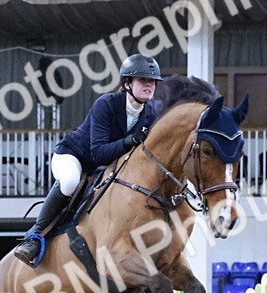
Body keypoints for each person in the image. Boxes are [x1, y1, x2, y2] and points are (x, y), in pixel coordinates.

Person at [12, 54, 164, 266]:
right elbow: (98, 152)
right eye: (143, 81)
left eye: (152, 82)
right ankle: (34, 237)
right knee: (70, 181)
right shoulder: (106, 104)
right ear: (127, 84)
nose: (149, 85)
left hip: (105, 168)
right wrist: (129, 141)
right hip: (74, 157)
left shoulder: (150, 114)